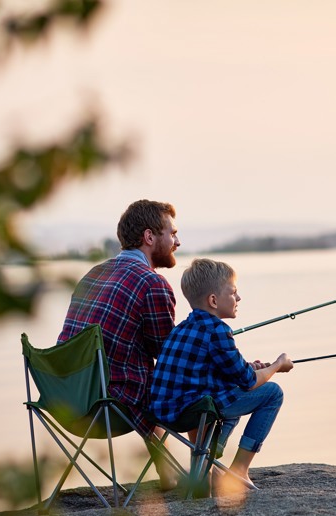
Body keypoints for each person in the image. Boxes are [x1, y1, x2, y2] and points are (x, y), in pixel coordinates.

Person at [58, 199, 181, 489]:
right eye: (172, 233)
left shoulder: (93, 274)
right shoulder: (152, 283)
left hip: (65, 400)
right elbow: (166, 357)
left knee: (140, 377)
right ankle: (196, 475)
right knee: (177, 380)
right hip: (107, 407)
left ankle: (169, 474)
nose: (178, 241)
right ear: (150, 237)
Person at [150, 258, 293, 491]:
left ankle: (209, 465)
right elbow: (247, 381)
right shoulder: (217, 330)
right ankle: (238, 469)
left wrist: (250, 366)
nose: (238, 298)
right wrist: (277, 365)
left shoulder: (181, 328)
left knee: (228, 391)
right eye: (234, 292)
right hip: (195, 411)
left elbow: (213, 368)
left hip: (164, 413)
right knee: (272, 393)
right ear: (214, 300)